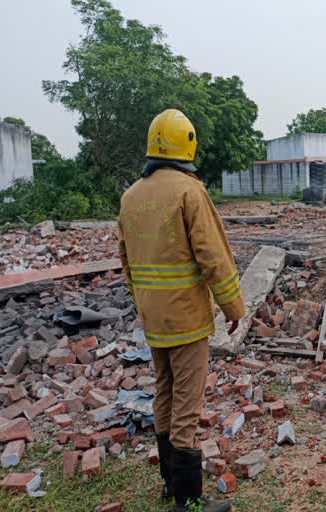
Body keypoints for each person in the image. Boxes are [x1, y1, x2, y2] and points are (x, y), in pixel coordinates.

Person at [118, 109, 245, 512]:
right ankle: (188, 500)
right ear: (186, 146)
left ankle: (171, 484)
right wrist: (233, 306)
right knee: (187, 406)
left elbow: (126, 261)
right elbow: (213, 256)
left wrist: (144, 303)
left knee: (164, 394)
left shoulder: (130, 196)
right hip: (187, 320)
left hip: (154, 320)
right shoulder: (190, 192)